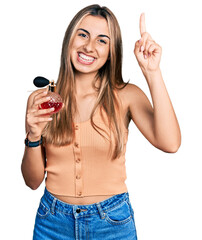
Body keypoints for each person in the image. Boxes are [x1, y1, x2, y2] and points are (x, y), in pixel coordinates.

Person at [21, 4, 181, 240]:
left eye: (102, 40)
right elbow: (32, 181)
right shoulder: (44, 99)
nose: (89, 46)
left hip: (111, 224)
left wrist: (152, 72)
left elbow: (170, 143)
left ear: (111, 52)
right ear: (69, 39)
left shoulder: (127, 95)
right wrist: (33, 137)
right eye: (83, 34)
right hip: (51, 223)